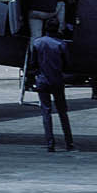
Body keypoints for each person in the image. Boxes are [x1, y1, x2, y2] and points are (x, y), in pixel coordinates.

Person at [30, 17, 75, 152]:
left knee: (46, 112)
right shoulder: (61, 44)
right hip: (57, 81)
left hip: (43, 81)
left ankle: (50, 143)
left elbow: (33, 64)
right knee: (62, 112)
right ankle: (69, 142)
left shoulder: (37, 43)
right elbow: (67, 64)